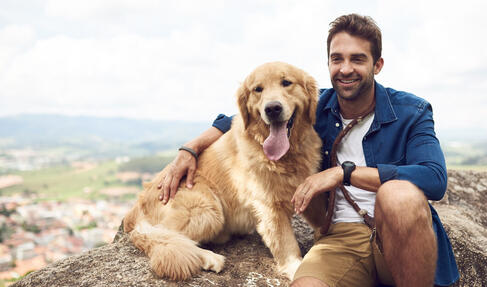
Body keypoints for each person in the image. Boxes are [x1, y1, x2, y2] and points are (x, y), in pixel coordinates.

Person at [157, 14, 459, 287]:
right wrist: (191, 148)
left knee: (398, 195)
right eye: (336, 59)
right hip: (340, 238)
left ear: (377, 65)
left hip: (394, 233)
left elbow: (434, 179)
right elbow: (237, 118)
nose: (345, 69)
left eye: (357, 59)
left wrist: (344, 173)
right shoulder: (316, 107)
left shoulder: (412, 111)